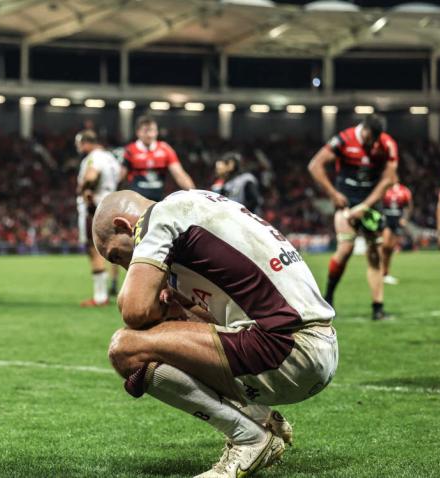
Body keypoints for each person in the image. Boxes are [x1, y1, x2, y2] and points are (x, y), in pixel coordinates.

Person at [91, 190, 336, 478]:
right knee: (170, 334)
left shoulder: (155, 218)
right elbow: (229, 316)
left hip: (285, 348)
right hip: (318, 346)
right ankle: (260, 418)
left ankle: (249, 439)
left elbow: (134, 310)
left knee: (126, 348)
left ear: (123, 226)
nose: (124, 266)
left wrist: (152, 302)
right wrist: (182, 308)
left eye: (118, 256)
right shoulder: (198, 202)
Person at [308, 114, 398, 320]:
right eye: (369, 139)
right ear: (363, 129)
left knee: (375, 253)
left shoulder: (387, 144)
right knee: (346, 249)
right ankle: (328, 298)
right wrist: (333, 194)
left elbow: (388, 179)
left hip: (371, 204)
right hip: (346, 202)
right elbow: (315, 165)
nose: (371, 144)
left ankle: (378, 308)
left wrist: (366, 206)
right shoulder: (343, 139)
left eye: (375, 140)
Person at [75, 130, 120, 307]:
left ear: (86, 143)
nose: (79, 148)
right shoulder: (111, 158)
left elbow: (91, 176)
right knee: (111, 249)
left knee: (93, 249)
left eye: (79, 144)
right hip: (111, 203)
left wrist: (84, 189)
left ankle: (100, 296)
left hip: (94, 206)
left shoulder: (93, 158)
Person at [121, 116, 195, 201]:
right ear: (138, 132)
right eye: (146, 131)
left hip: (158, 199)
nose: (150, 135)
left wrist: (194, 194)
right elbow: (121, 177)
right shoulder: (130, 150)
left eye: (153, 131)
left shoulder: (165, 149)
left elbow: (179, 174)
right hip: (136, 200)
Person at [381, 179, 412, 285]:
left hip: (397, 220)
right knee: (385, 245)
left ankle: (386, 273)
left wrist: (405, 218)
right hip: (386, 219)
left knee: (390, 248)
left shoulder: (404, 190)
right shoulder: (383, 188)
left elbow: (408, 206)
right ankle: (381, 272)